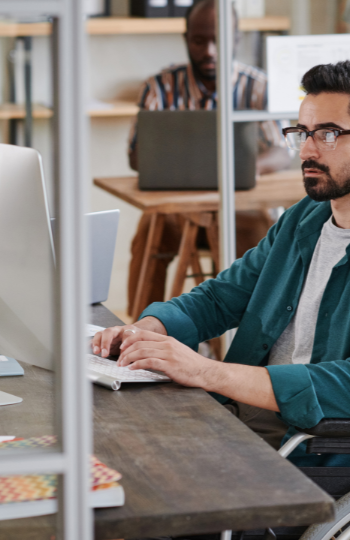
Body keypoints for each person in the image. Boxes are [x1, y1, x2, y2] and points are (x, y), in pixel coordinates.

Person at [96, 61, 350, 467]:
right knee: (113, 438)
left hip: (319, 445)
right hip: (246, 416)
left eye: (328, 134)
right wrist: (144, 331)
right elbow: (221, 298)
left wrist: (204, 371)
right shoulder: (305, 217)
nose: (306, 150)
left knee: (143, 471)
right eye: (302, 133)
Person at [126, 0, 292, 310]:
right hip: (176, 209)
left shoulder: (257, 87)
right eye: (199, 40)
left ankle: (256, 334)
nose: (210, 51)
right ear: (186, 38)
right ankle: (138, 332)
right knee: (149, 232)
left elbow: (281, 150)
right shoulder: (159, 88)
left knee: (264, 241)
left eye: (218, 39)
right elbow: (137, 156)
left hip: (238, 209)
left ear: (236, 39)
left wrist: (246, 169)